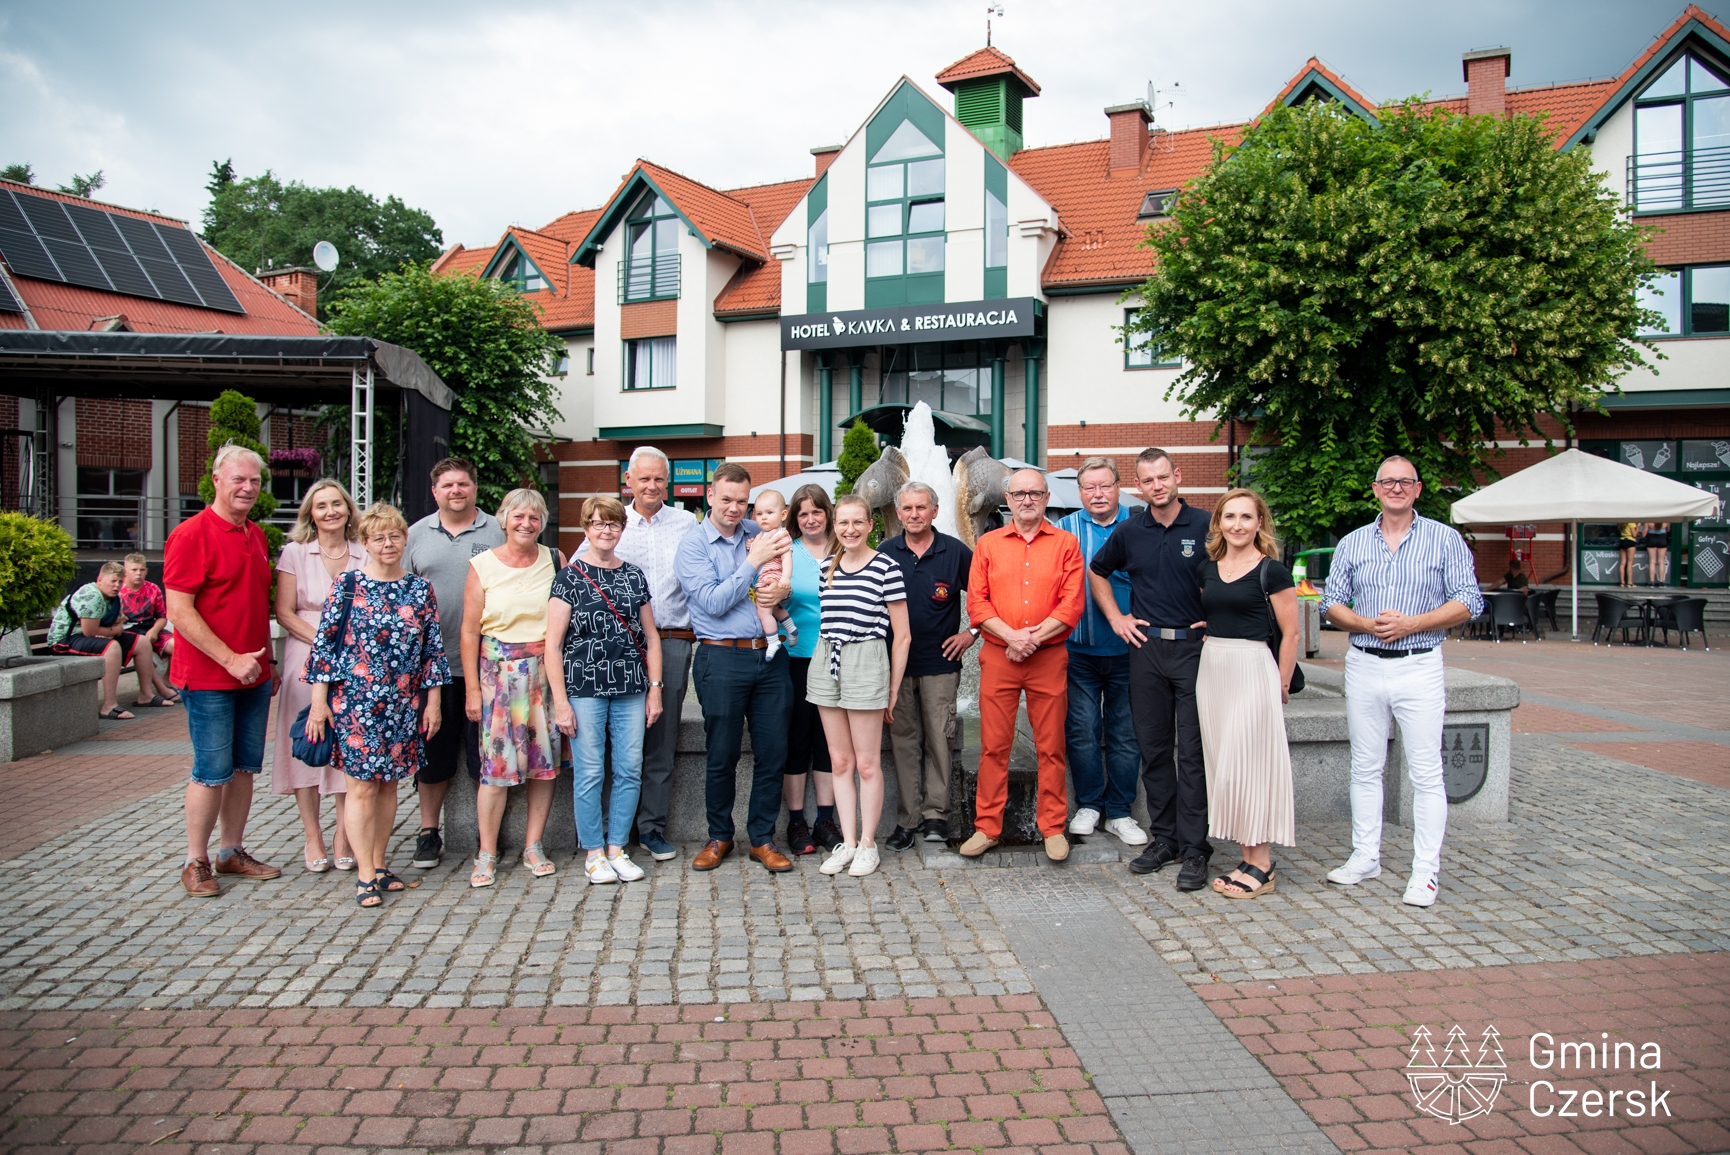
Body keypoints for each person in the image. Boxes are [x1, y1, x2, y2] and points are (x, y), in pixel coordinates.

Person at [1322, 456, 1484, 908]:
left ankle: (1425, 872)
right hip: (1365, 662)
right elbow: (1329, 603)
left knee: (1427, 771)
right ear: (1375, 489)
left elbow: (1470, 600)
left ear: (1417, 489)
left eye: (1405, 482)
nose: (1396, 488)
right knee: (1365, 766)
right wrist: (1363, 623)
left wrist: (1414, 623)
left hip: (1418, 663)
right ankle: (1365, 856)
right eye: (1387, 481)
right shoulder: (1353, 543)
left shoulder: (1444, 539)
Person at [303, 503, 450, 907]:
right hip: (355, 703)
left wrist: (432, 703)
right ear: (364, 543)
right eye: (379, 537)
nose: (388, 544)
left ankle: (380, 864)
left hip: (402, 703)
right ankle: (364, 873)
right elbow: (324, 649)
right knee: (362, 788)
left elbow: (432, 651)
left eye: (395, 536)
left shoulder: (419, 589)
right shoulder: (348, 584)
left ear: (405, 539)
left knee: (389, 788)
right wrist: (319, 703)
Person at [1088, 448, 1215, 890]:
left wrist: (1218, 618)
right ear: (1137, 487)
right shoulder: (1129, 530)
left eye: (1163, 477)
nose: (1157, 486)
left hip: (1195, 651)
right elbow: (1097, 571)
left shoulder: (1205, 526)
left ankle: (1197, 849)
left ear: (1177, 476)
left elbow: (1235, 572)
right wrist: (1116, 618)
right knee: (1154, 750)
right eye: (1148, 480)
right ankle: (1166, 839)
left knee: (1193, 754)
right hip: (1146, 651)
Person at [165, 444, 282, 897]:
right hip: (211, 676)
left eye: (254, 481)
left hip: (251, 674)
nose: (248, 487)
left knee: (243, 769)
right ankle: (195, 860)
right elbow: (179, 610)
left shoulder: (255, 535)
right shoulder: (191, 534)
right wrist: (229, 659)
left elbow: (257, 607)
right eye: (239, 479)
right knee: (210, 770)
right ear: (216, 480)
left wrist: (266, 661)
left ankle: (231, 852)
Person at [673, 461, 796, 874]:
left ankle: (762, 838)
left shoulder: (759, 532)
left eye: (742, 501)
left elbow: (780, 587)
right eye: (726, 499)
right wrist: (752, 562)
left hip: (769, 655)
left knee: (773, 751)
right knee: (722, 754)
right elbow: (710, 602)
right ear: (710, 496)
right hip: (720, 656)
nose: (735, 508)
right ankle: (719, 835)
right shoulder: (694, 545)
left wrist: (783, 589)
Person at [962, 469, 1084, 862]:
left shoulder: (1066, 544)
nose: (1027, 499)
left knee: (1051, 746)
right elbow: (977, 604)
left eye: (1034, 493)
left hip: (1048, 657)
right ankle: (987, 827)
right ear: (1008, 500)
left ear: (1046, 497)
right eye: (1019, 494)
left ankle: (1052, 827)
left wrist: (1030, 639)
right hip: (1000, 656)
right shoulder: (988, 544)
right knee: (993, 746)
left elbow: (1071, 605)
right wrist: (1013, 637)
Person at [589, 447, 697, 864]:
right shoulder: (610, 523)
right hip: (616, 646)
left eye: (659, 479)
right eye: (643, 479)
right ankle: (610, 829)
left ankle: (650, 828)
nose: (651, 486)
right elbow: (584, 574)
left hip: (670, 640)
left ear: (667, 482)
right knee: (615, 740)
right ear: (628, 481)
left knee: (661, 738)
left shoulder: (686, 523)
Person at [549, 496, 664, 885]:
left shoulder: (633, 576)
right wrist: (560, 702)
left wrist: (655, 690)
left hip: (631, 687)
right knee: (590, 771)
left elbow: (651, 637)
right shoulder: (569, 577)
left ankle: (617, 847)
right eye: (597, 524)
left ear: (621, 529)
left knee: (630, 769)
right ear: (585, 528)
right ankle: (594, 852)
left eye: (612, 524)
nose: (605, 530)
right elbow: (552, 645)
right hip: (584, 688)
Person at [1194, 489, 1299, 900]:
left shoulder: (1272, 571)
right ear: (1219, 522)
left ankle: (1263, 863)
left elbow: (1291, 632)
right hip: (1213, 668)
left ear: (1259, 523)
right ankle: (1247, 856)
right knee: (1223, 766)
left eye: (1246, 517)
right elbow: (1215, 614)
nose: (1237, 524)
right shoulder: (1206, 569)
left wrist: (1282, 683)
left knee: (1249, 766)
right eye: (1230, 516)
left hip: (1253, 669)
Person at [404, 458, 506, 869]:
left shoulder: (498, 531)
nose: (456, 491)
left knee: (486, 751)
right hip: (432, 667)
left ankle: (488, 837)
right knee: (433, 752)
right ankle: (429, 830)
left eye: (463, 484)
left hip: (488, 663)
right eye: (447, 485)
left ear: (475, 488)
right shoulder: (414, 535)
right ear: (435, 491)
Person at [462, 488, 564, 887]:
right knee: (495, 766)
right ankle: (486, 852)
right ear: (503, 519)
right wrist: (472, 689)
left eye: (534, 517)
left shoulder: (554, 560)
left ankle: (533, 845)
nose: (526, 524)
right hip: (497, 677)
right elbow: (469, 631)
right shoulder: (482, 565)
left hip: (544, 674)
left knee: (544, 762)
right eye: (518, 516)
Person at [811, 494, 910, 878]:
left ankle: (869, 843)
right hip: (827, 660)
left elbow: (901, 636)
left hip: (866, 660)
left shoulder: (886, 567)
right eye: (842, 523)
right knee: (840, 761)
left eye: (857, 522)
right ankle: (848, 842)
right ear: (835, 526)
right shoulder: (826, 568)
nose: (849, 530)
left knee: (867, 763)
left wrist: (893, 689)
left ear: (871, 525)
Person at [272, 479, 364, 873]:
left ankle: (345, 833)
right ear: (310, 512)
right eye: (321, 505)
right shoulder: (294, 552)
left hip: (357, 655)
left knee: (348, 742)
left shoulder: (363, 551)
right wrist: (327, 642)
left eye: (337, 504)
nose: (330, 512)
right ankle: (313, 836)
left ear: (347, 510)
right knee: (308, 739)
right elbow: (285, 612)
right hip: (305, 651)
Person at [1055, 458, 1146, 847]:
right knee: (1081, 732)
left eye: (1105, 486)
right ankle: (1089, 804)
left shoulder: (1140, 526)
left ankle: (1121, 812)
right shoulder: (1064, 530)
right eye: (1089, 487)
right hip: (1078, 652)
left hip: (1131, 651)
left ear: (1118, 487)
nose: (1097, 494)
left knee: (1126, 734)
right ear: (1079, 492)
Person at [879, 481, 973, 852]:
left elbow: (985, 595)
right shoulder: (885, 552)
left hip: (941, 665)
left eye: (922, 508)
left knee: (939, 739)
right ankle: (908, 819)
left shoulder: (955, 552)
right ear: (898, 513)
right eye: (907, 508)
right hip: (895, 667)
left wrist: (972, 633)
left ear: (935, 511)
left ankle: (937, 816)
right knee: (903, 742)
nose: (914, 514)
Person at [780, 484, 840, 855]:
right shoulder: (787, 552)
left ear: (827, 514)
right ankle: (798, 820)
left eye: (817, 512)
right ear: (795, 518)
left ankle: (826, 820)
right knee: (798, 739)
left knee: (830, 742)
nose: (811, 519)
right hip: (799, 658)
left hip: (839, 658)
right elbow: (764, 595)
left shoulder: (844, 549)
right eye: (803, 514)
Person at [48, 560, 172, 718]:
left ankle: (146, 695)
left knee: (141, 642)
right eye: (113, 581)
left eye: (120, 581)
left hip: (91, 636)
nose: (117, 585)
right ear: (99, 580)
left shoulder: (113, 597)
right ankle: (109, 705)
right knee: (112, 647)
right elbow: (89, 631)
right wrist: (115, 630)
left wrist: (113, 628)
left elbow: (116, 619)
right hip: (66, 640)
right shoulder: (91, 595)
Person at [750, 490, 798, 660]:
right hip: (765, 577)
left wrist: (785, 578)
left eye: (769, 513)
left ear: (783, 514)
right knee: (775, 608)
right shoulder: (762, 534)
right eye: (760, 513)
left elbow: (787, 559)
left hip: (773, 576)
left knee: (763, 612)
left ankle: (773, 640)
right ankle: (791, 629)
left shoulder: (781, 535)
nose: (764, 518)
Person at [119, 552, 175, 667]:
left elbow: (162, 617)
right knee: (141, 648)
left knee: (178, 646)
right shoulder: (117, 588)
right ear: (125, 571)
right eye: (134, 570)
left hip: (149, 627)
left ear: (147, 571)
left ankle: (169, 679)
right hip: (126, 629)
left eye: (142, 570)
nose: (138, 573)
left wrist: (155, 630)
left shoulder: (153, 588)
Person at [1644, 522, 1670, 586]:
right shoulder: (1666, 522)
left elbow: (1644, 534)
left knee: (1652, 561)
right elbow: (1668, 530)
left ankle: (1652, 582)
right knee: (1661, 562)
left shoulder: (1648, 523)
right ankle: (1661, 582)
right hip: (1662, 540)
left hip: (1651, 540)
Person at [1617, 522, 1638, 588]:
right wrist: (1638, 527)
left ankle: (1622, 582)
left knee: (1622, 563)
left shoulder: (1621, 523)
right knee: (1630, 563)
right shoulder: (1631, 523)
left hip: (1622, 540)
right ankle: (1629, 583)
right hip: (1630, 541)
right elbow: (1634, 535)